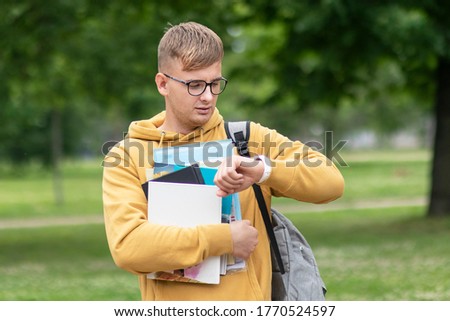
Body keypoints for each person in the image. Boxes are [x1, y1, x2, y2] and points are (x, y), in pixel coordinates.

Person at [102, 21, 344, 301]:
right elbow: (129, 247)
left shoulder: (245, 138)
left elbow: (331, 183)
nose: (207, 96)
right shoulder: (126, 156)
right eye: (194, 85)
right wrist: (225, 239)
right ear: (163, 83)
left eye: (215, 84)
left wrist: (262, 171)